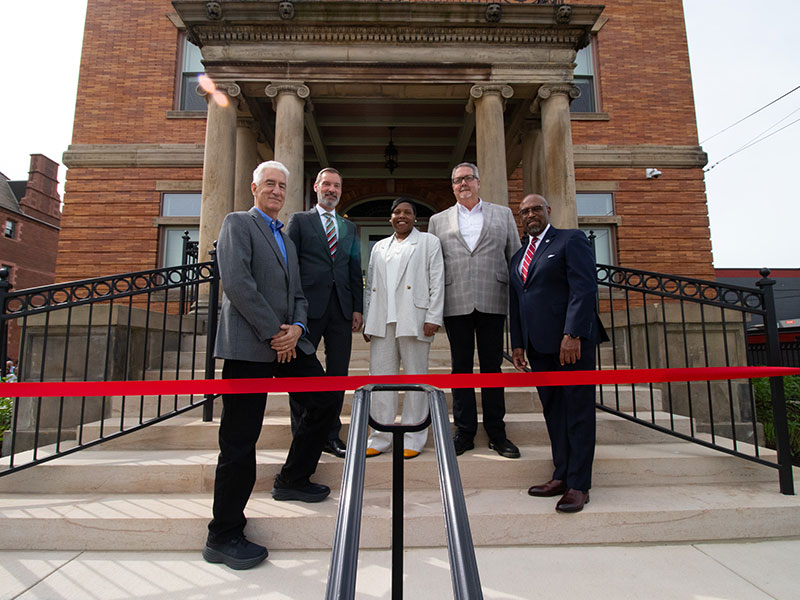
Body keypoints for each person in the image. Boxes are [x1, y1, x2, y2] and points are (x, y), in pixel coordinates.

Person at [203, 160, 338, 570]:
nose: (277, 191)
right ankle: (223, 534)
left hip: (289, 340)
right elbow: (238, 283)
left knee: (325, 400)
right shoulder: (238, 224)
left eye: (282, 185)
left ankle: (293, 479)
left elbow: (298, 293)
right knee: (240, 441)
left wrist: (296, 328)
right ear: (254, 187)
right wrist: (273, 333)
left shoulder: (286, 237)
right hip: (249, 347)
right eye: (270, 184)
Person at [509, 193, 607, 514]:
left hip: (571, 345)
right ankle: (561, 475)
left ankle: (580, 484)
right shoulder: (519, 256)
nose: (530, 214)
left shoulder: (570, 240)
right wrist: (518, 344)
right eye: (524, 211)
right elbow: (518, 302)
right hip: (538, 347)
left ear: (548, 211)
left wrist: (573, 333)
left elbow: (584, 287)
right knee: (554, 413)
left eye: (536, 209)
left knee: (577, 412)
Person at [427, 162, 521, 459]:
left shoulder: (503, 214)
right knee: (460, 369)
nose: (462, 184)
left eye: (467, 178)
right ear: (452, 186)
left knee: (492, 368)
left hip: (493, 297)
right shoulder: (437, 220)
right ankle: (464, 432)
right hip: (456, 302)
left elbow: (515, 258)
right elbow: (432, 267)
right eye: (457, 180)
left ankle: (497, 432)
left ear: (478, 182)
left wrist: (520, 304)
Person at [286, 167, 363, 459]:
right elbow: (290, 267)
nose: (332, 190)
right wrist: (291, 308)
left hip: (341, 310)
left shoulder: (348, 227)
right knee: (302, 372)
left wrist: (357, 307)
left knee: (338, 373)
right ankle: (303, 435)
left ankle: (331, 434)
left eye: (337, 186)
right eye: (327, 184)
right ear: (317, 187)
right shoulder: (300, 221)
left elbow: (354, 269)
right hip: (307, 308)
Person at [362, 198, 444, 459]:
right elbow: (370, 285)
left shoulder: (429, 242)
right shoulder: (379, 247)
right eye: (397, 212)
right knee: (380, 379)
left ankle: (413, 437)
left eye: (407, 212)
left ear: (415, 218)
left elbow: (437, 280)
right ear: (390, 217)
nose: (401, 216)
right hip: (382, 320)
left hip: (416, 318)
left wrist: (434, 316)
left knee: (415, 378)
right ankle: (380, 436)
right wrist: (367, 319)